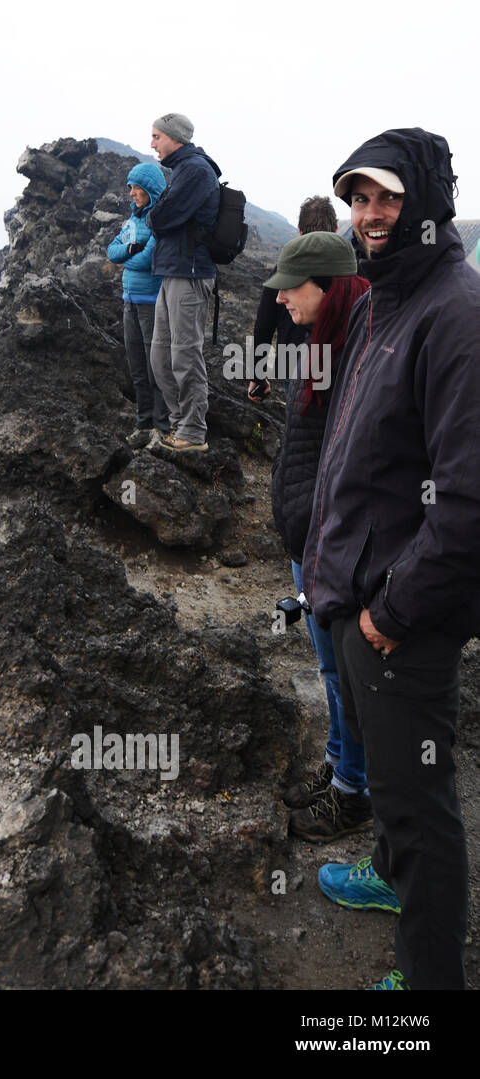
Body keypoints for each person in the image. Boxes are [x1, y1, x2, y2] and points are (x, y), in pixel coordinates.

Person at [302, 128, 480, 990]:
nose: (368, 216)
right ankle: (381, 870)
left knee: (421, 809)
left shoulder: (456, 313)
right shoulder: (380, 298)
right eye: (357, 198)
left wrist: (389, 612)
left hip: (400, 616)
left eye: (386, 198)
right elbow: (354, 443)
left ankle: (429, 982)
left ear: (424, 203)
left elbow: (470, 500)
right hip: (353, 586)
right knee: (392, 787)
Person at [257, 230, 370, 841]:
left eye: (289, 289)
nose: (279, 302)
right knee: (331, 672)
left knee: (344, 676)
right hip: (311, 539)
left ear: (325, 288)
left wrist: (325, 543)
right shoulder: (324, 341)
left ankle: (354, 792)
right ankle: (338, 766)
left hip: (331, 547)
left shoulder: (359, 352)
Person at [145, 113, 220, 453]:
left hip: (190, 275)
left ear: (174, 138)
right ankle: (179, 425)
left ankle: (192, 430)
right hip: (173, 271)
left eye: (157, 136)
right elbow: (161, 216)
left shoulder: (195, 170)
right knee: (161, 355)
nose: (152, 144)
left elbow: (160, 217)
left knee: (185, 355)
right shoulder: (182, 170)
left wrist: (156, 214)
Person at [246, 196, 339, 404]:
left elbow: (264, 324)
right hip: (339, 366)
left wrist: (257, 375)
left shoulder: (285, 267)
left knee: (298, 429)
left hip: (294, 362)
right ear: (335, 229)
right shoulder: (349, 269)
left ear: (299, 231)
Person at [107, 162, 169, 448]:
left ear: (149, 189)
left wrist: (126, 258)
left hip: (150, 302)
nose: (131, 193)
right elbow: (111, 250)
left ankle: (161, 427)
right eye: (130, 187)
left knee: (155, 367)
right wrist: (130, 251)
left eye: (135, 187)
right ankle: (143, 424)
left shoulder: (159, 221)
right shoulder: (132, 221)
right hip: (128, 301)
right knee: (136, 366)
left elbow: (147, 261)